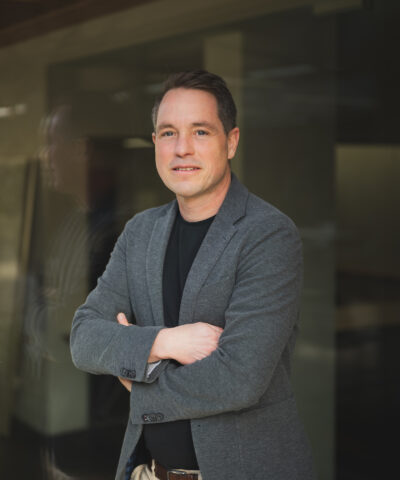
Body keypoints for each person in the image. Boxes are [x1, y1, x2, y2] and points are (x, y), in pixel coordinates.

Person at [70, 70, 315, 480]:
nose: (182, 148)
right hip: (148, 471)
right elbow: (83, 338)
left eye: (200, 131)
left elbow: (239, 378)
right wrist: (165, 342)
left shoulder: (268, 234)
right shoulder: (140, 232)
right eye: (169, 133)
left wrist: (139, 378)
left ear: (231, 141)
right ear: (155, 143)